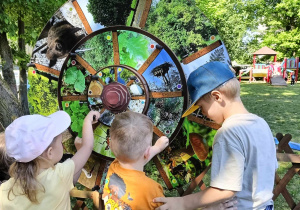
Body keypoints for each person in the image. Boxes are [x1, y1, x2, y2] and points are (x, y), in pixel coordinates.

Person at [154, 61, 277, 210]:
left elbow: (224, 190)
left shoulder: (228, 133)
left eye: (201, 107)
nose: (203, 113)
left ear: (217, 97)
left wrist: (181, 203)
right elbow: (270, 168)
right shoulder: (261, 123)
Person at [0, 110, 100, 210]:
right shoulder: (59, 176)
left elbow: (70, 181)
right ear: (50, 152)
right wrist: (88, 120)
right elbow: (87, 146)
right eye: (61, 142)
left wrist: (79, 152)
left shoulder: (3, 192)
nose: (62, 145)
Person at [102, 111, 169, 209]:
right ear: (147, 152)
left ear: (111, 146)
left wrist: (156, 149)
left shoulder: (114, 167)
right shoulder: (152, 190)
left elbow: (134, 160)